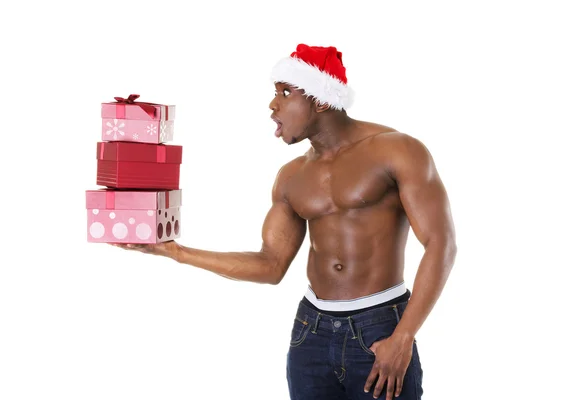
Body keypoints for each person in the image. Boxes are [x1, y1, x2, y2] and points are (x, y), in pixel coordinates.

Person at [113, 43, 457, 400]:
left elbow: (440, 244)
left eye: (285, 92)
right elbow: (271, 265)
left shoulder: (397, 150)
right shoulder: (291, 176)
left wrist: (403, 337)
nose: (272, 105)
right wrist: (175, 252)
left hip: (380, 329)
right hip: (312, 332)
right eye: (274, 93)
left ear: (321, 99)